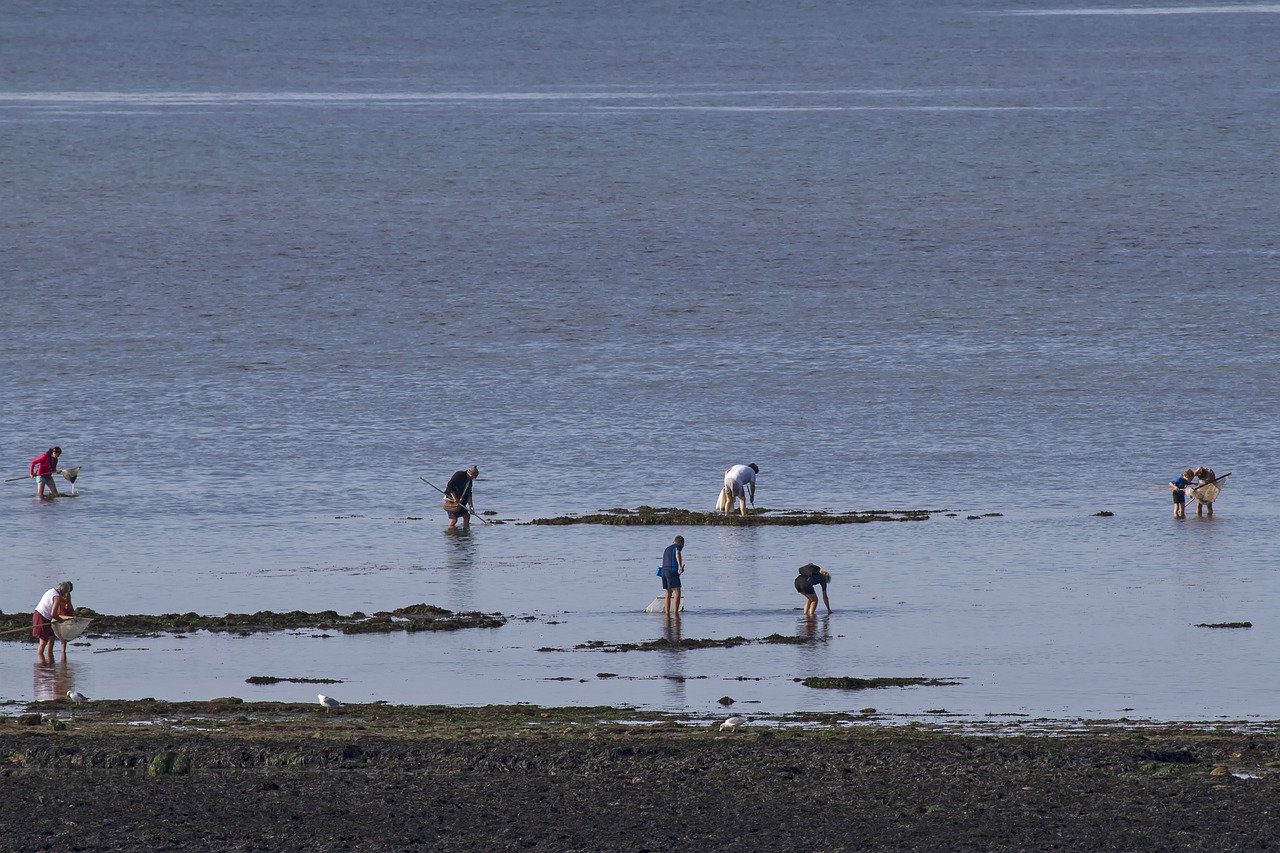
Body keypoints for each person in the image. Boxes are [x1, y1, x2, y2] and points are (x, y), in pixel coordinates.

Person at [33, 581, 74, 661]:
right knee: (43, 642)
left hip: (47, 618)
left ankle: (50, 662)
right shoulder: (57, 597)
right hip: (41, 616)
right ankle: (41, 664)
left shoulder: (51, 590)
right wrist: (61, 620)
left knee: (51, 638)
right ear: (64, 592)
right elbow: (53, 614)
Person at [659, 535, 686, 616]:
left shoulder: (667, 548)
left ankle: (667, 614)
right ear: (681, 542)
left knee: (668, 592)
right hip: (671, 571)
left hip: (663, 571)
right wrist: (680, 566)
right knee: (677, 591)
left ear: (673, 541)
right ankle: (675, 614)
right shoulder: (678, 546)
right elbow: (677, 553)